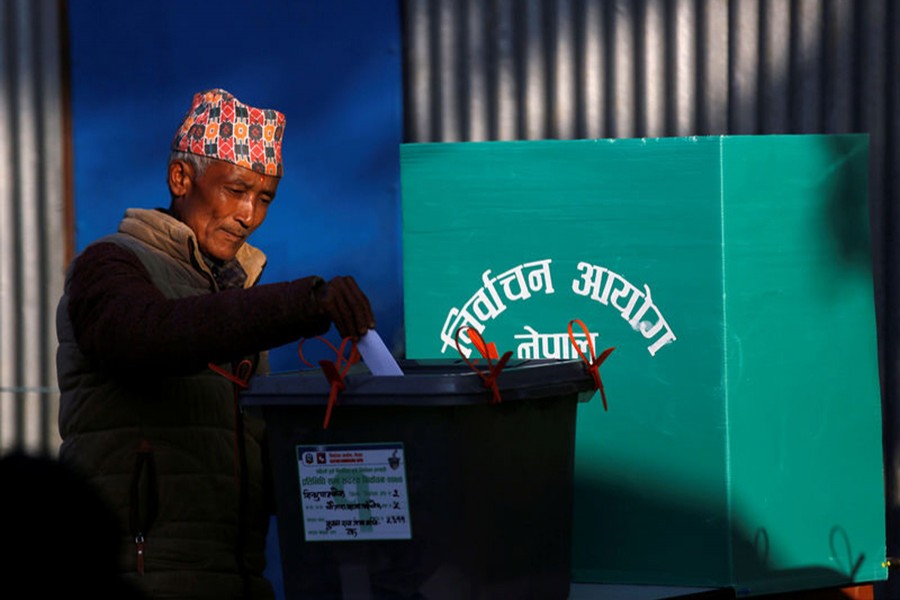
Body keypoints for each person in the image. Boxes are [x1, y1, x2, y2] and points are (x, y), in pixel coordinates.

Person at [56, 88, 376, 599]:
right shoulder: (111, 265)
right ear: (181, 179)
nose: (249, 214)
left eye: (265, 197)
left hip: (239, 581)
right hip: (139, 578)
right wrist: (301, 304)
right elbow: (142, 334)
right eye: (235, 189)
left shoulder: (232, 292)